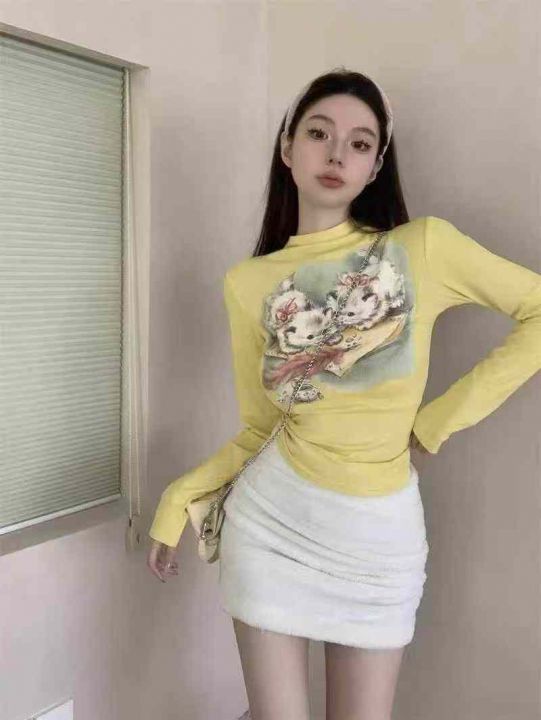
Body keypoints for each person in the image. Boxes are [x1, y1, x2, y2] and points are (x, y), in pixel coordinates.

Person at [146, 67, 541, 720]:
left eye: (359, 144)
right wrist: (178, 496)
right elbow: (260, 430)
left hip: (378, 541)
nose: (336, 154)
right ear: (287, 147)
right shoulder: (247, 283)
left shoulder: (423, 247)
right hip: (272, 529)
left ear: (375, 165)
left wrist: (433, 424)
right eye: (318, 134)